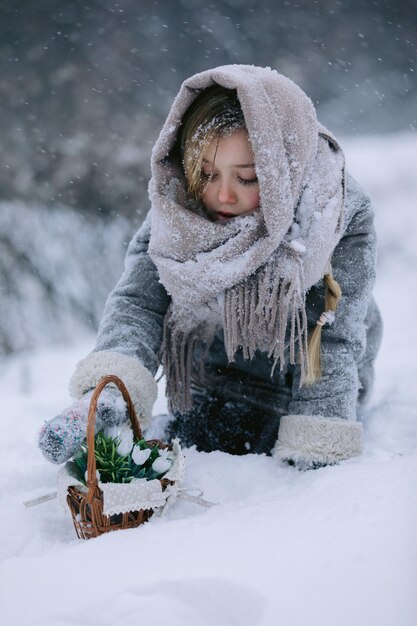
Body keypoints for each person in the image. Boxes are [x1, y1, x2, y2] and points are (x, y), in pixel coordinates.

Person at [39, 64, 382, 469]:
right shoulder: (179, 209)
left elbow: (333, 338)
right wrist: (110, 391)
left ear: (280, 169)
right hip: (214, 374)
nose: (222, 195)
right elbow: (138, 303)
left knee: (258, 446)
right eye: (205, 173)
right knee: (186, 444)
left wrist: (319, 439)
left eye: (248, 178)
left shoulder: (334, 214)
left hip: (299, 375)